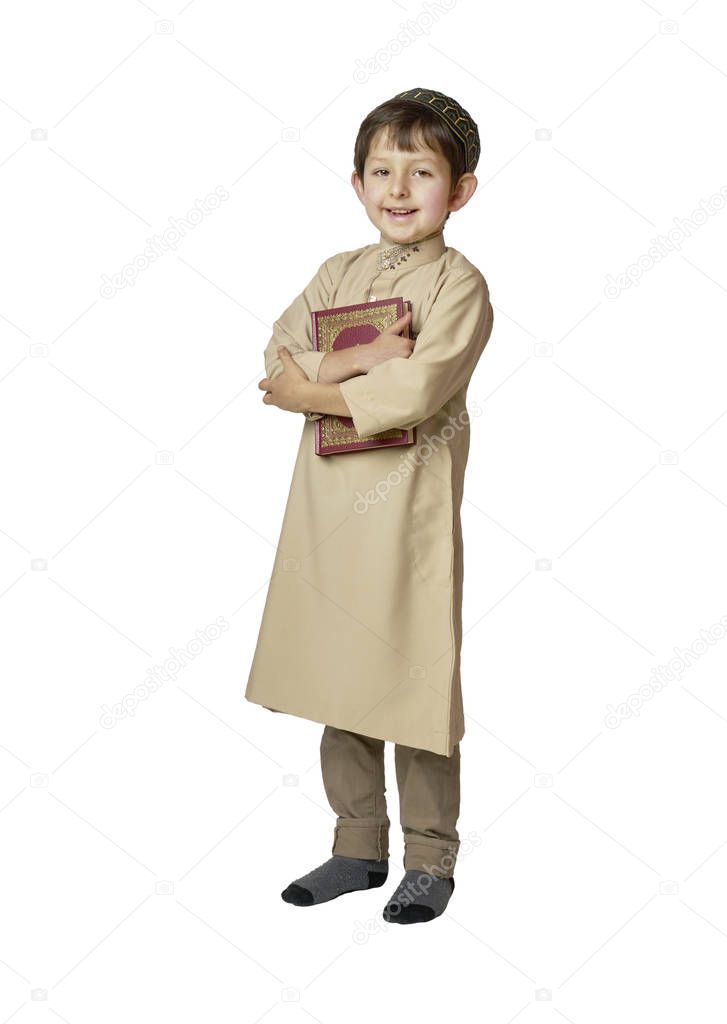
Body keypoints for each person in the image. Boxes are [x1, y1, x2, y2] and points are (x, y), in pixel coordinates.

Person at [245, 88, 494, 924]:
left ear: (457, 189)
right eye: (380, 170)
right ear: (355, 182)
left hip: (407, 511)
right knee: (339, 676)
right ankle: (356, 846)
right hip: (326, 507)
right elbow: (275, 358)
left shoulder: (459, 286)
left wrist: (315, 382)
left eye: (419, 171)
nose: (397, 188)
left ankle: (429, 856)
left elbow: (414, 389)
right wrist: (361, 353)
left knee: (412, 680)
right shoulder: (335, 273)